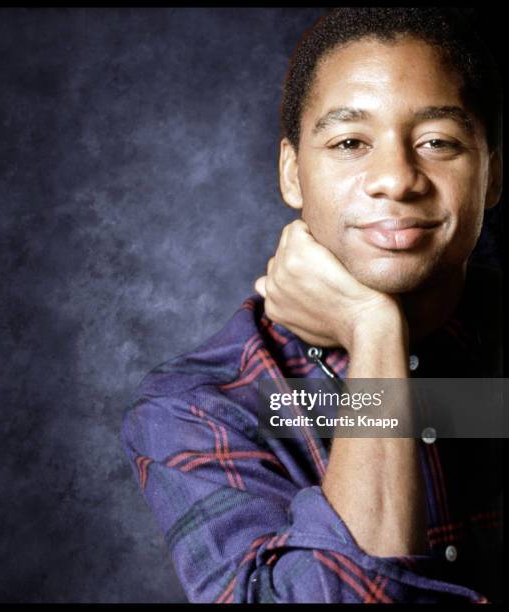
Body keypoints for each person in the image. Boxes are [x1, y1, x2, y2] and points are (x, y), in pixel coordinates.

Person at [121, 7, 504, 603]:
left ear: (492, 174)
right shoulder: (200, 410)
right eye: (350, 142)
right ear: (292, 173)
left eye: (438, 142)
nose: (397, 179)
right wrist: (374, 330)